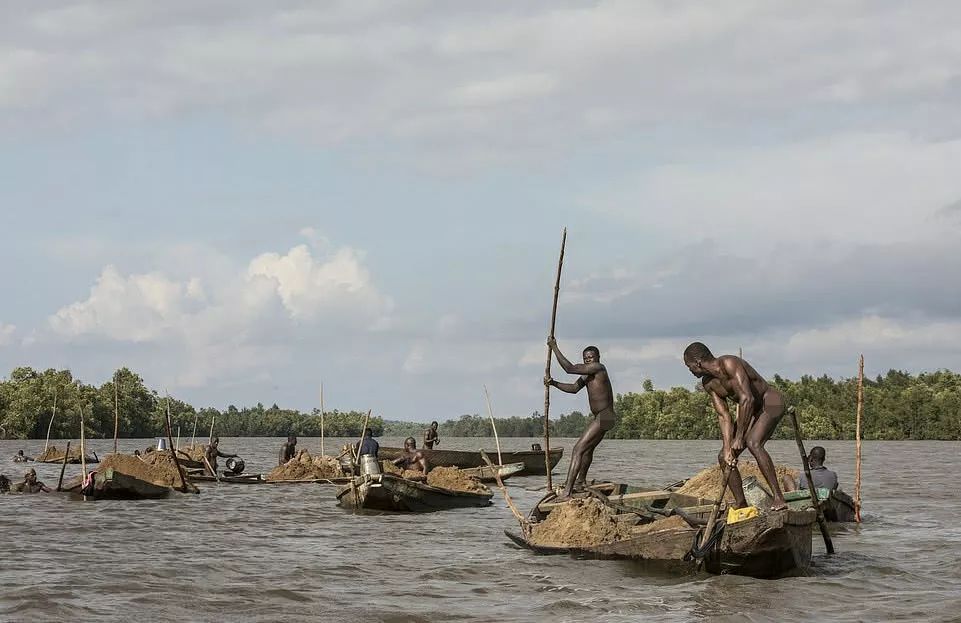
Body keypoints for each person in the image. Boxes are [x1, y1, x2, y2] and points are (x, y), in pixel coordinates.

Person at [683, 342, 788, 511]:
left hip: (771, 400)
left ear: (697, 363)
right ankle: (741, 504)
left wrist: (739, 438)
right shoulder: (708, 384)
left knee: (753, 443)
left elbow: (747, 399)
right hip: (751, 411)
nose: (689, 370)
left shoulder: (730, 363)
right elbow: (723, 415)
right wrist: (727, 448)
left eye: (688, 366)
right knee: (723, 456)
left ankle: (778, 498)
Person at [544, 338, 616, 499]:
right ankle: (581, 481)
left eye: (590, 358)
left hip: (606, 415)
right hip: (602, 416)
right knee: (587, 449)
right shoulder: (587, 376)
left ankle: (567, 492)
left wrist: (554, 347)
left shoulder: (598, 368)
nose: (588, 360)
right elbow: (574, 388)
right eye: (585, 359)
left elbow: (569, 368)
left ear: (597, 358)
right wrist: (553, 383)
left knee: (578, 449)